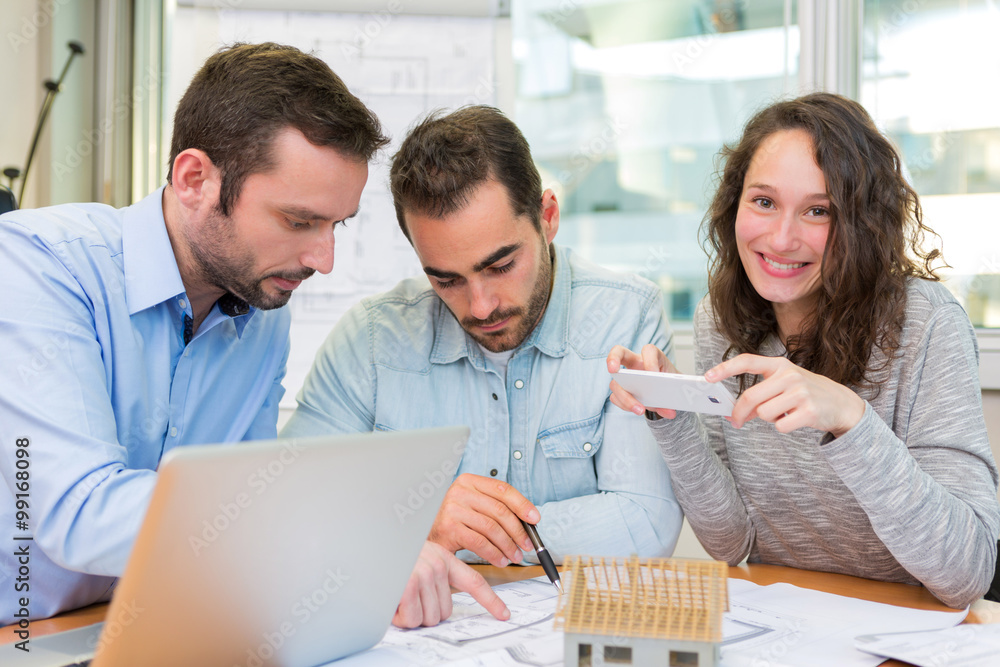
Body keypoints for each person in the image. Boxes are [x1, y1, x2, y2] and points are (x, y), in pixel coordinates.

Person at [0, 42, 506, 628]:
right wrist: (343, 538)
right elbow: (79, 515)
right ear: (195, 180)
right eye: (298, 221)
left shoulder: (265, 311)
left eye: (335, 224)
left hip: (147, 627)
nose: (324, 258)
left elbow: (244, 507)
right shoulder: (38, 265)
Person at [607, 92, 1000, 608]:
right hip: (787, 628)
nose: (782, 238)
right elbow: (732, 543)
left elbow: (966, 573)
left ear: (862, 225)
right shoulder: (719, 316)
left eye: (818, 211)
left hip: (906, 632)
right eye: (764, 202)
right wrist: (671, 413)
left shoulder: (926, 323)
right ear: (734, 205)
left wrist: (852, 421)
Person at [281, 106, 683, 568]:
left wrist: (435, 534)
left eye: (501, 266)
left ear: (547, 217)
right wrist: (425, 521)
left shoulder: (627, 316)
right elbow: (288, 508)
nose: (481, 306)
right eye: (447, 280)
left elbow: (644, 523)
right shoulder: (372, 340)